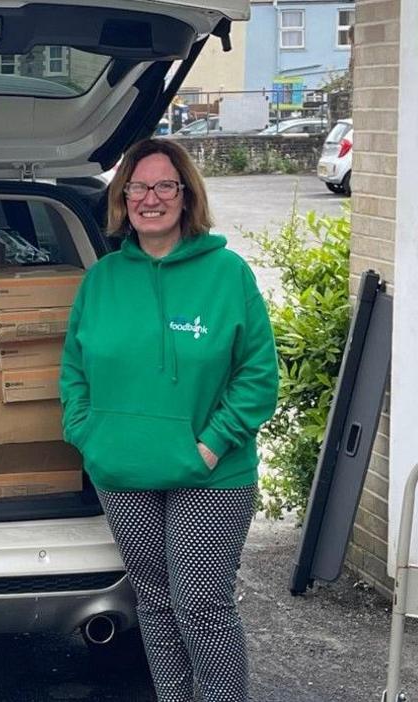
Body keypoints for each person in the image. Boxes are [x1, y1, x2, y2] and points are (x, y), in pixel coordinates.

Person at [60, 138, 279, 702]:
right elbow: (74, 372)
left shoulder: (227, 274)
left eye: (164, 186)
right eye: (137, 186)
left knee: (202, 602)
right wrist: (89, 437)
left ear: (186, 196)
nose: (149, 198)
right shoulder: (102, 279)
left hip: (212, 476)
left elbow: (257, 377)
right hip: (122, 470)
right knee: (154, 604)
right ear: (122, 197)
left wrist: (210, 445)